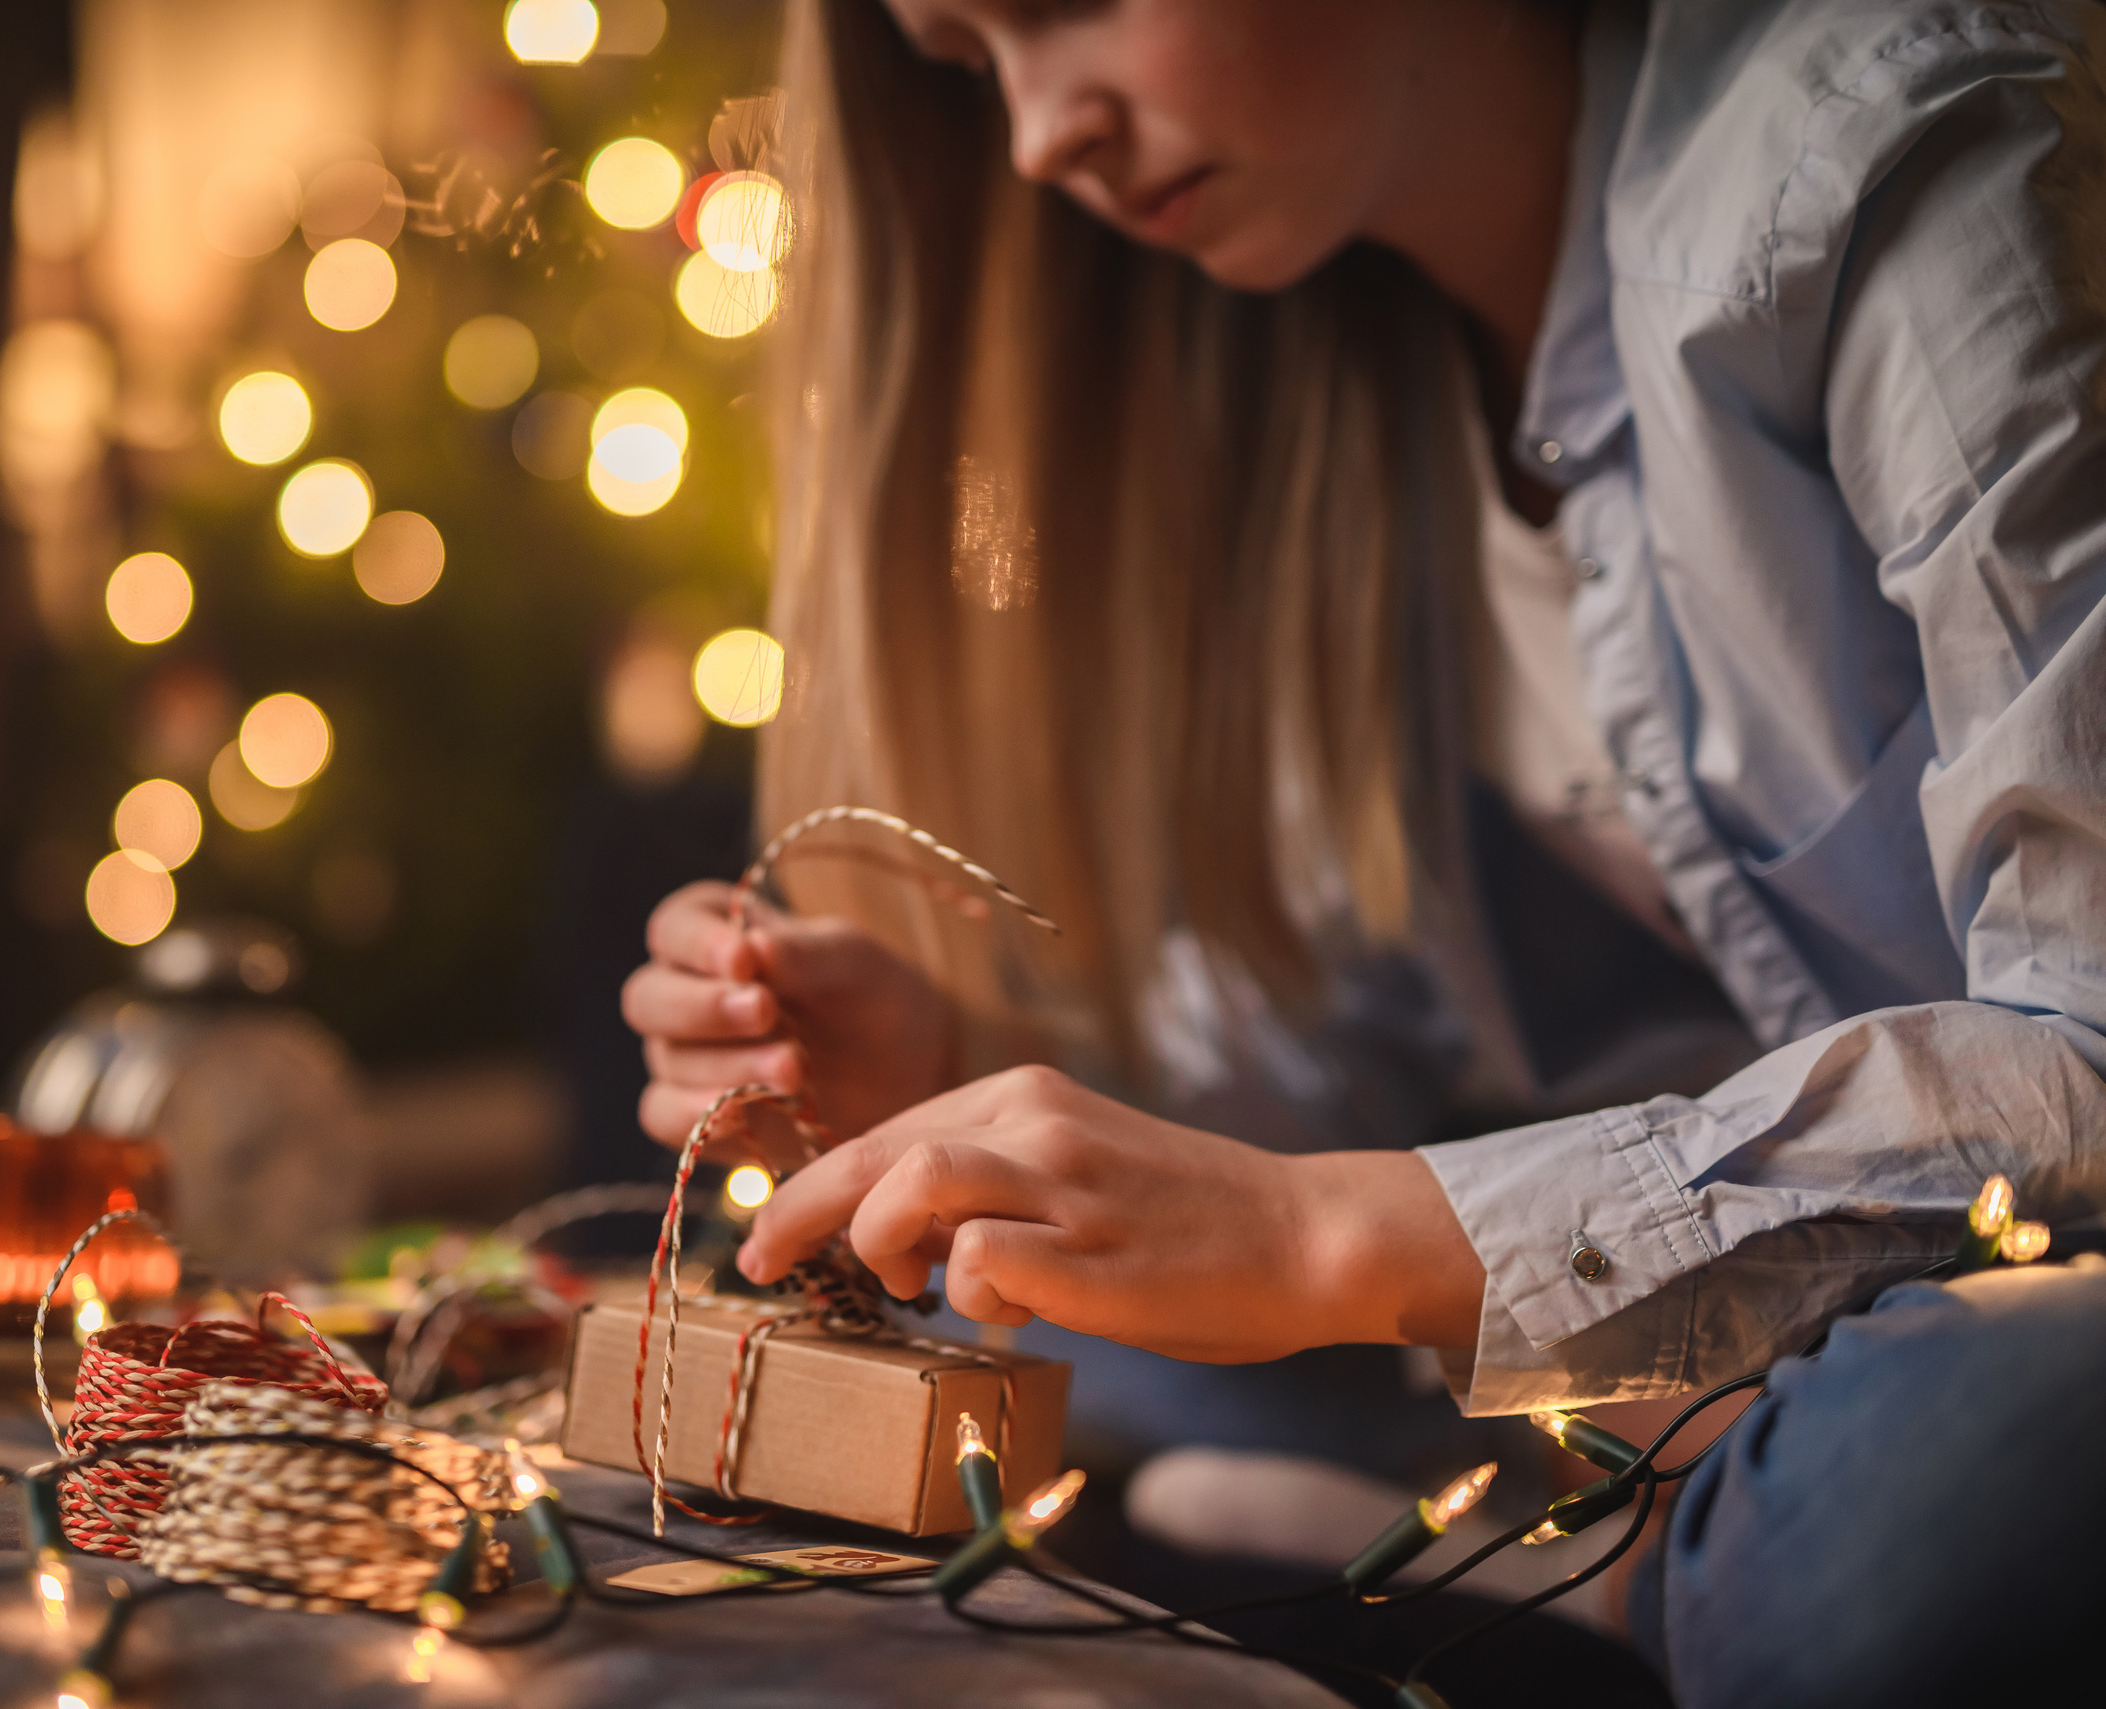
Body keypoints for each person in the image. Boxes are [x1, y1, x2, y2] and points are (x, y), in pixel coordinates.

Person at [623, 1, 2106, 1700]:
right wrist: (957, 1076)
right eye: (974, 61)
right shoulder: (1327, 363)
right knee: (1016, 1324)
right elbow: (1340, 1083)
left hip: (2020, 1319)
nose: (1037, 138)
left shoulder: (1906, 162)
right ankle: (1628, 1498)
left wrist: (1333, 1244)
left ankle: (1594, 1562)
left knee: (1951, 1494)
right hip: (1781, 1337)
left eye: (1067, 6)